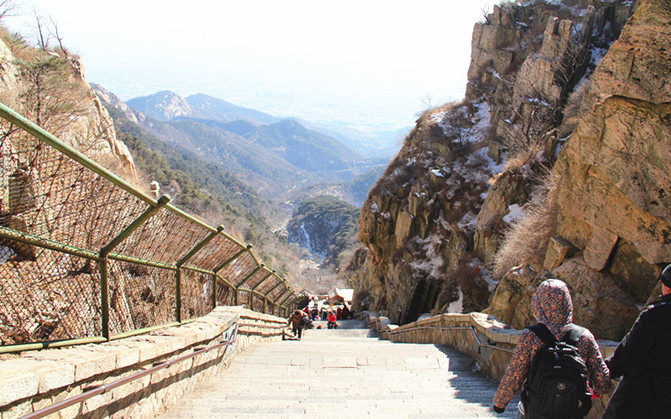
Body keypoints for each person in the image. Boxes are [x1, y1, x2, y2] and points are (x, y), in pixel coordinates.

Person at [493, 279, 610, 416]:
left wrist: (499, 404)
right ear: (567, 303)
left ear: (538, 303)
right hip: (571, 411)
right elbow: (602, 379)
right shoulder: (584, 337)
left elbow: (515, 373)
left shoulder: (531, 336)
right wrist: (598, 389)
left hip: (536, 409)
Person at [602, 263, 671, 418]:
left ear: (666, 287)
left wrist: (601, 374)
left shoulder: (655, 316)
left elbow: (627, 355)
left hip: (642, 401)